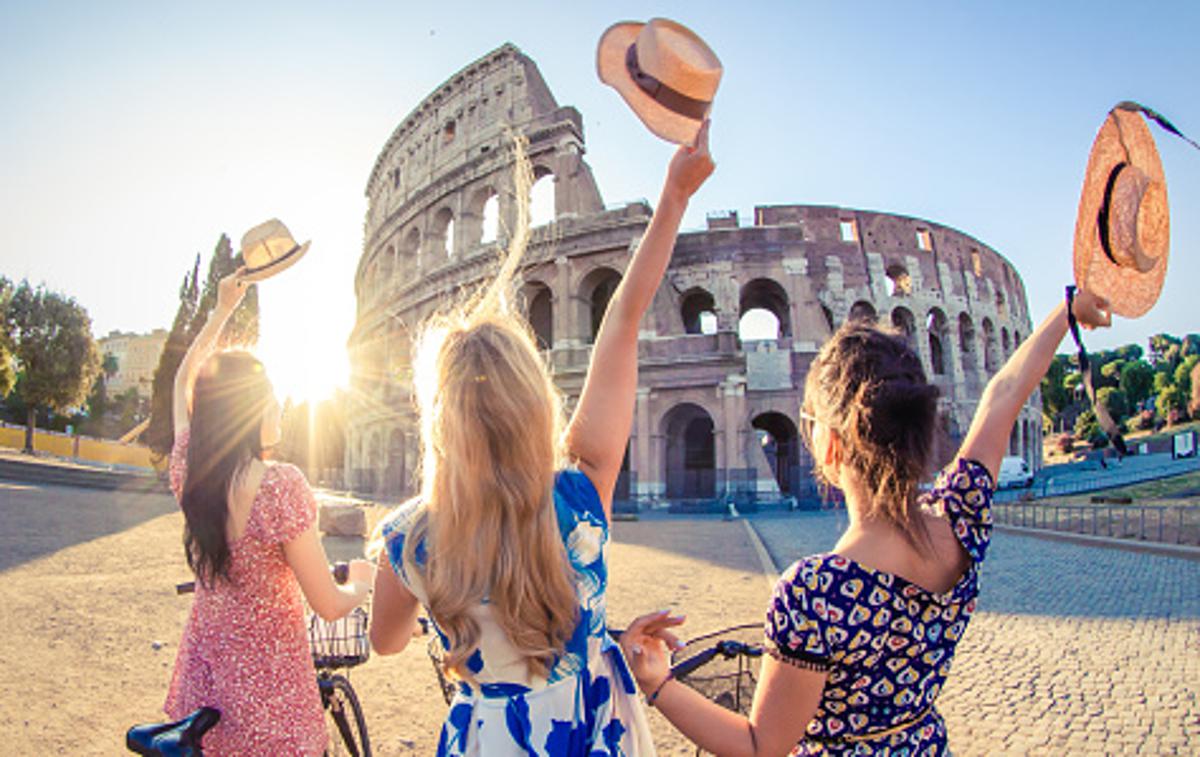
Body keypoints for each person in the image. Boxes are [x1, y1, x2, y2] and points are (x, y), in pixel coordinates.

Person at [620, 290, 1111, 755]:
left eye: (808, 424)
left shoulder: (815, 591)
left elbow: (760, 745)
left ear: (830, 444)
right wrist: (1065, 314)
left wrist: (657, 683)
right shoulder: (963, 515)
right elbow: (1004, 394)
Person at [367, 123, 715, 755]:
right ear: (535, 406)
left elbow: (386, 642)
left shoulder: (407, 538)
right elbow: (624, 320)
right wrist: (674, 198)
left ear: (440, 423)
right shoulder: (580, 497)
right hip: (591, 725)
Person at [164, 269, 374, 755]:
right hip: (272, 702)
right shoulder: (280, 485)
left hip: (204, 689)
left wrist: (220, 312)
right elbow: (328, 603)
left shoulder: (188, 471)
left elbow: (182, 383)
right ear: (252, 410)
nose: (278, 405)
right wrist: (361, 582)